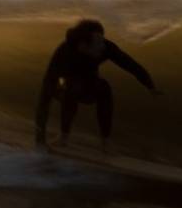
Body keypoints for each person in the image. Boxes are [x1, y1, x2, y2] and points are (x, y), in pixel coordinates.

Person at [34, 19, 160, 150]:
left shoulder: (104, 47)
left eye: (102, 40)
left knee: (104, 87)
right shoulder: (64, 52)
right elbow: (44, 97)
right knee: (70, 87)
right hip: (61, 85)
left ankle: (105, 141)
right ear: (83, 45)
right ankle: (63, 137)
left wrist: (150, 85)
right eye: (98, 43)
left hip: (87, 83)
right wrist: (40, 138)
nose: (102, 45)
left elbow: (129, 64)